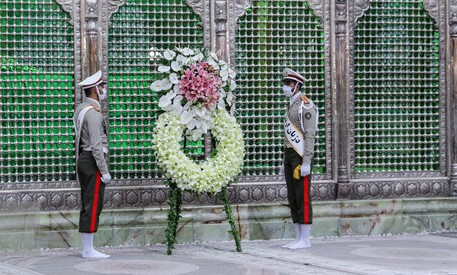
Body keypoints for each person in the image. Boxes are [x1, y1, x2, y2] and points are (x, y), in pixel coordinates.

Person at [73, 70, 111, 259]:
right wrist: (104, 171)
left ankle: (87, 247)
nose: (104, 90)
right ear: (95, 89)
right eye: (102, 86)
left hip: (84, 159)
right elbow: (96, 146)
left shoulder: (81, 108)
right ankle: (88, 250)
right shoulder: (94, 113)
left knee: (88, 203)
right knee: (93, 204)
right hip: (93, 161)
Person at [280, 68, 318, 249]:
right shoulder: (291, 105)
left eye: (289, 83)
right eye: (285, 83)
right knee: (293, 196)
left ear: (297, 85)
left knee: (302, 196)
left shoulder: (306, 105)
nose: (285, 86)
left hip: (301, 154)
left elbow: (309, 135)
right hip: (290, 154)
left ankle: (305, 239)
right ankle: (297, 238)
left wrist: (307, 161)